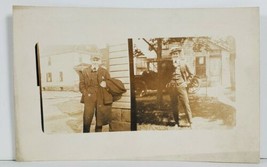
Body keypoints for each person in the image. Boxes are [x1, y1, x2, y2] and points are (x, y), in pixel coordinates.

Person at [78, 53, 113, 133]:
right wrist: (85, 93)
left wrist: (106, 84)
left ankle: (98, 135)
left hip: (100, 96)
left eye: (97, 60)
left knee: (99, 118)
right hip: (89, 97)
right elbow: (81, 85)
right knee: (87, 117)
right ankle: (86, 134)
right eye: (93, 60)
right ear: (90, 61)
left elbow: (109, 82)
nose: (95, 62)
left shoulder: (104, 71)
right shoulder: (85, 71)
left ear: (100, 61)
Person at [166, 46, 193, 127]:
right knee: (174, 105)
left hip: (181, 86)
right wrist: (168, 83)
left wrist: (186, 83)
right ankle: (176, 123)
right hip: (172, 88)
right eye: (173, 54)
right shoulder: (169, 64)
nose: (175, 55)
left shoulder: (183, 63)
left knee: (186, 104)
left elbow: (191, 75)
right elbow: (165, 76)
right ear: (171, 55)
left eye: (176, 53)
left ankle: (190, 122)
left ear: (179, 54)